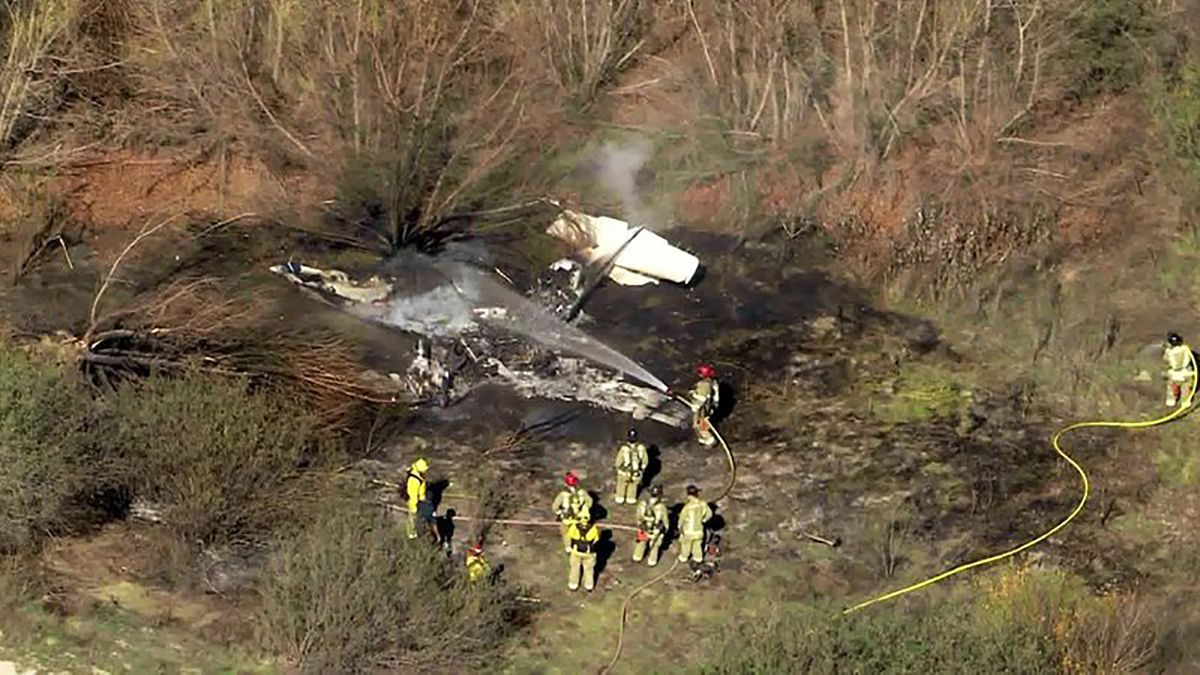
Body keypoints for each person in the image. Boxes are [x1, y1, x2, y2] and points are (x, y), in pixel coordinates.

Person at [552, 472, 594, 552]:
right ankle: (580, 544)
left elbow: (555, 507)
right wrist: (585, 509)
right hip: (579, 517)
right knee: (580, 531)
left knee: (565, 532)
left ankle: (568, 546)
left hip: (567, 518)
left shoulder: (563, 495)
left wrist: (559, 512)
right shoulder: (582, 493)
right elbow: (590, 502)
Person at [632, 485, 669, 566]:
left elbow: (638, 516)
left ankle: (637, 556)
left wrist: (640, 524)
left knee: (641, 542)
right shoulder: (662, 507)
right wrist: (665, 530)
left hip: (644, 528)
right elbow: (665, 520)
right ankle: (652, 560)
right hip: (655, 530)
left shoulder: (642, 504)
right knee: (655, 545)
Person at [677, 485, 713, 564]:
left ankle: (684, 557)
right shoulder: (703, 504)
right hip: (699, 531)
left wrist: (680, 527)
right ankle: (698, 558)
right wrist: (703, 520)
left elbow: (681, 519)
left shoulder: (687, 507)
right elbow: (709, 514)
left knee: (686, 545)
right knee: (697, 545)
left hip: (688, 532)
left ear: (689, 495)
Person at [566, 513, 601, 592]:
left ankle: (573, 584)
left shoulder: (574, 527)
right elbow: (596, 539)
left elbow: (570, 535)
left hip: (576, 551)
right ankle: (589, 585)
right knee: (589, 569)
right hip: (588, 553)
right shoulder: (594, 529)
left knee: (575, 568)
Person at [613, 428, 649, 505]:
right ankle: (625, 498)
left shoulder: (628, 448)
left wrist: (641, 468)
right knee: (626, 485)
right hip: (628, 471)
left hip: (631, 471)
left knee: (628, 485)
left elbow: (618, 461)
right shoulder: (638, 448)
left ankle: (626, 498)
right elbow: (645, 460)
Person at [689, 364, 720, 447]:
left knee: (699, 425)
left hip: (702, 408)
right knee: (699, 425)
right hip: (707, 407)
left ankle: (710, 440)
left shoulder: (704, 384)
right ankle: (703, 439)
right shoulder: (711, 383)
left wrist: (695, 403)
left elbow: (701, 398)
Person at [1164, 332, 1195, 408]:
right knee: (1186, 388)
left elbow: (1166, 362)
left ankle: (1171, 400)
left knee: (1171, 387)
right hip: (1186, 373)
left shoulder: (1168, 352)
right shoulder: (1185, 349)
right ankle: (1185, 401)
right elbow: (1190, 359)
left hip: (1174, 374)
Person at [405, 457, 430, 539]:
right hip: (413, 502)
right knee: (412, 517)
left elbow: (421, 488)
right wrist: (413, 507)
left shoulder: (419, 475)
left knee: (419, 516)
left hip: (419, 500)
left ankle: (418, 530)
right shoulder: (413, 480)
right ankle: (411, 534)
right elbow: (412, 495)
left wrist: (422, 498)